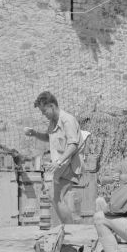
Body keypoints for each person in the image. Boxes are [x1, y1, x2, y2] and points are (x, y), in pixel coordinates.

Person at [24, 91, 89, 224]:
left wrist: (59, 161)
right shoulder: (53, 121)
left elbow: (73, 145)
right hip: (61, 166)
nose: (43, 114)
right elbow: (49, 137)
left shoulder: (67, 120)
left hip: (70, 165)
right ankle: (67, 228)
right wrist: (34, 133)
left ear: (52, 106)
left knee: (55, 196)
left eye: (44, 111)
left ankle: (70, 228)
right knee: (54, 196)